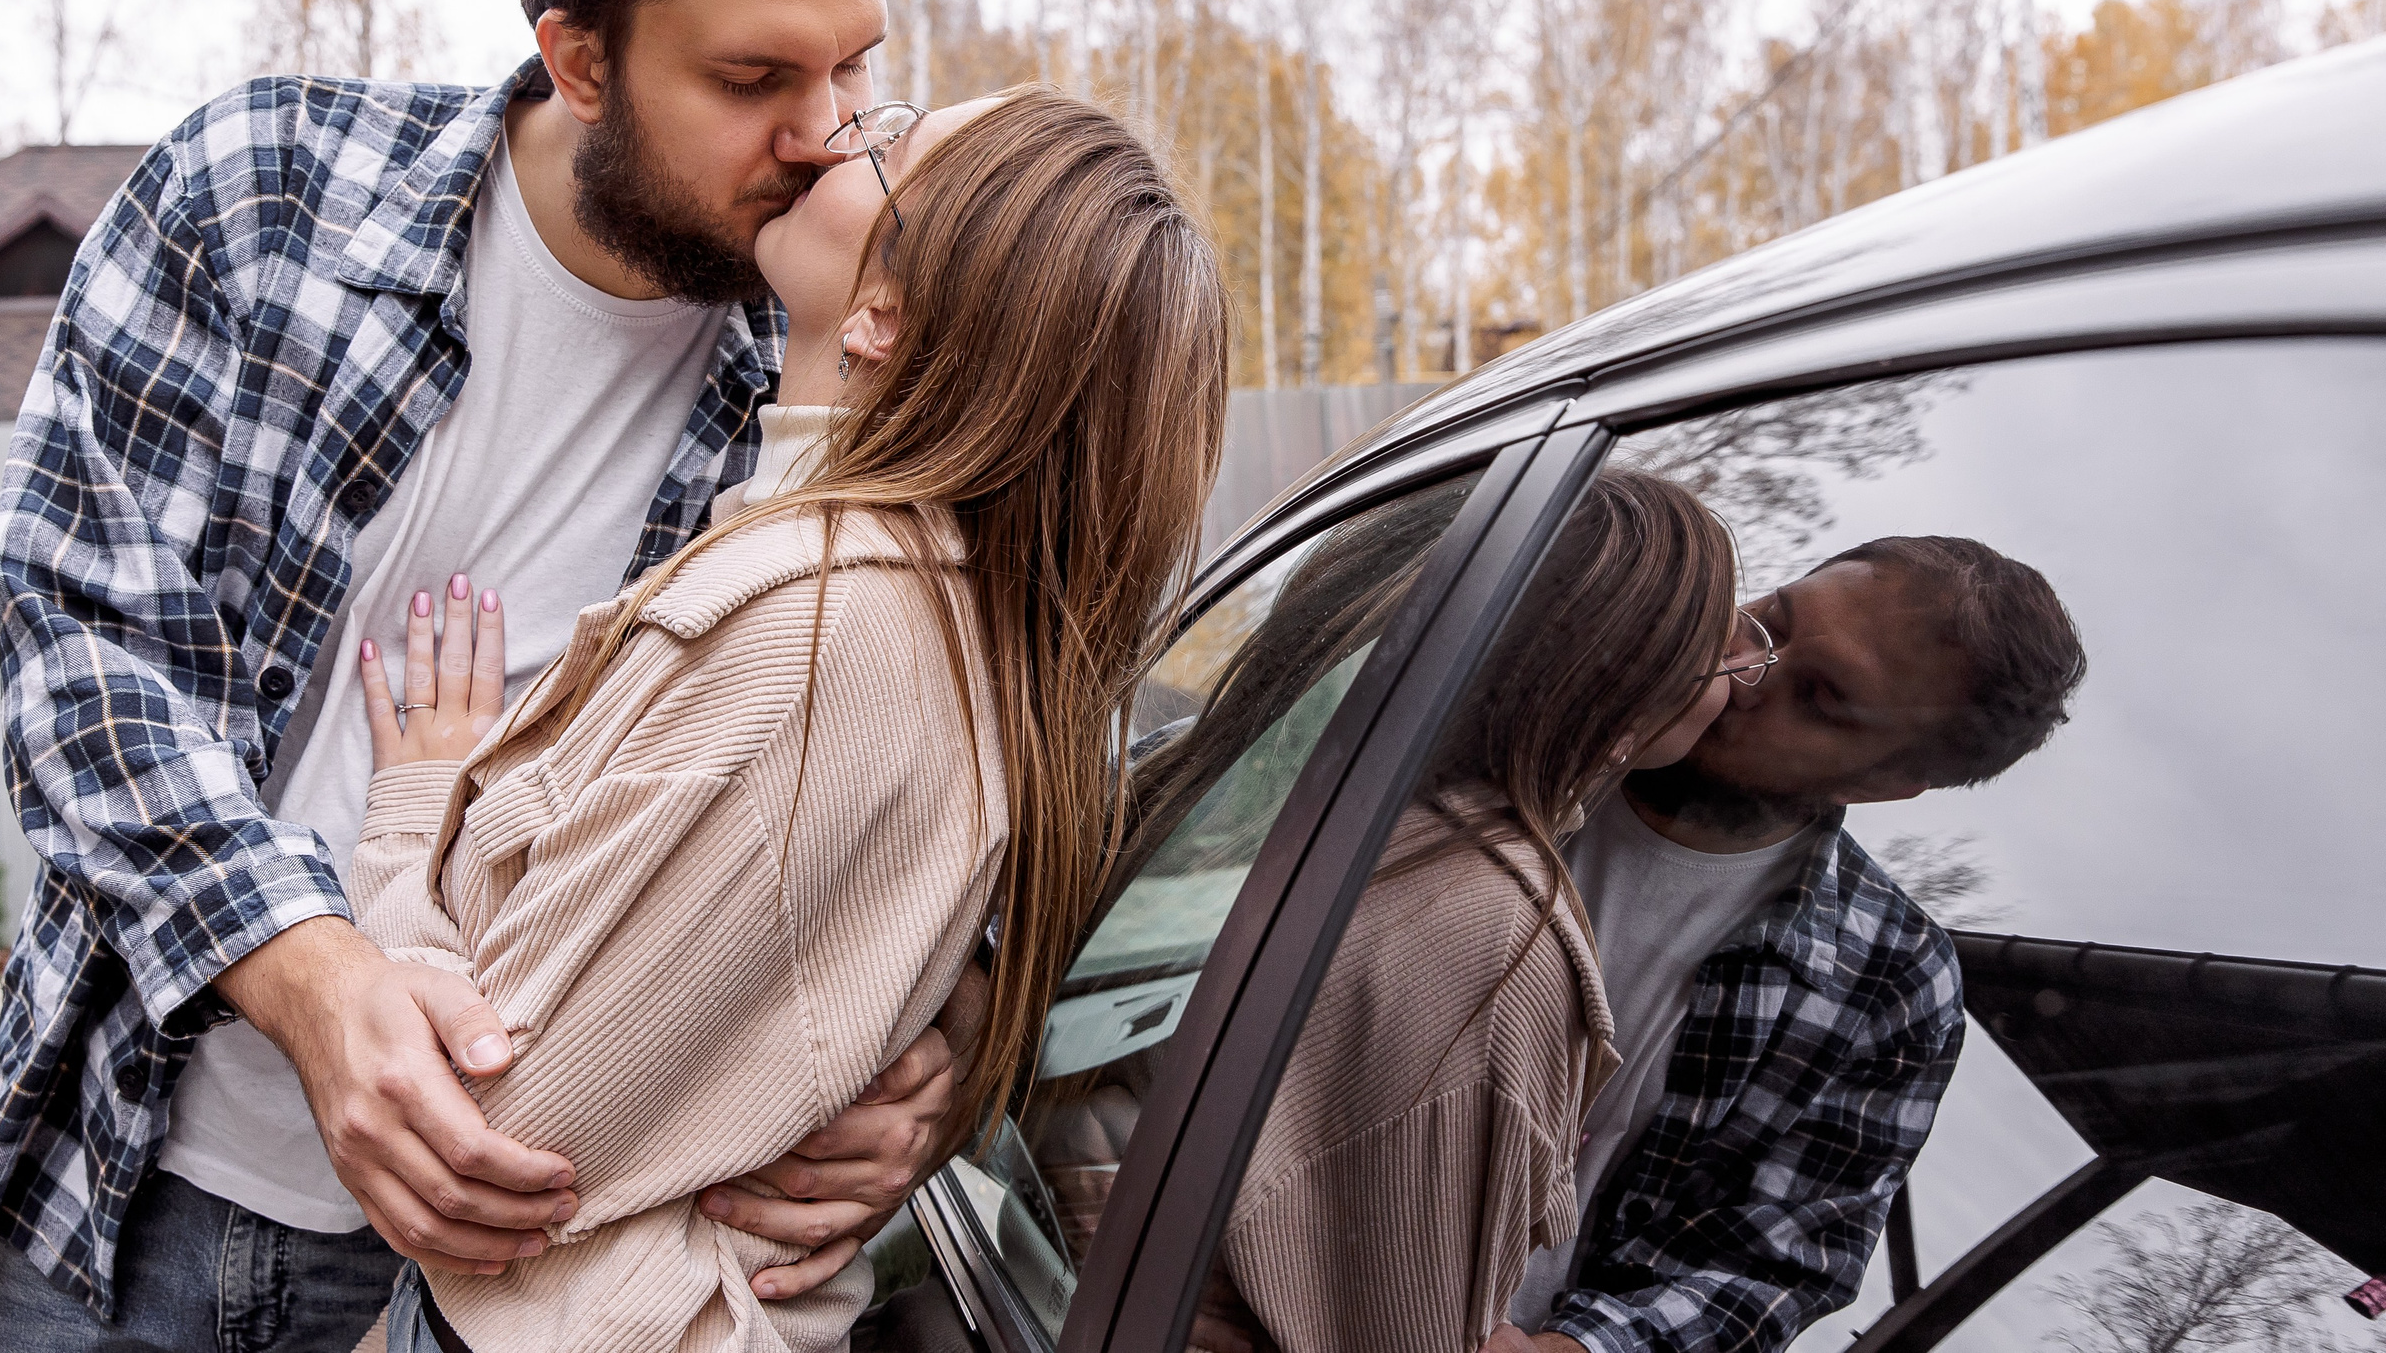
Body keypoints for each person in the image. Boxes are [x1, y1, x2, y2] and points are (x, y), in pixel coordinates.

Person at [0, 0, 970, 1351]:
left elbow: (952, 756)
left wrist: (941, 1049)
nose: (826, 134)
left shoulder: (838, 352)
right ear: (580, 57)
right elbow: (80, 647)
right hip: (126, 1199)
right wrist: (315, 979)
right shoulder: (258, 197)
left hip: (519, 1257)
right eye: (755, 79)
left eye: (853, 67)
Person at [347, 86, 1230, 1351]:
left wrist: (409, 814)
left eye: (886, 141)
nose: (830, 132)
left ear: (882, 315)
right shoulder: (893, 599)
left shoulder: (815, 637)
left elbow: (484, 1143)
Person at [1180, 469, 1767, 1353]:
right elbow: (1409, 1329)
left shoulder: (1287, 787)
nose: (1748, 670)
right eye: (1716, 642)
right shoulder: (1503, 947)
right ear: (1623, 706)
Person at [1492, 531, 2089, 1353]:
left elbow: (1774, 1260)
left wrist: (1572, 1350)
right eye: (1771, 617)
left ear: (1881, 782)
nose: (1742, 667)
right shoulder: (1517, 727)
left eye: (1818, 693)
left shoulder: (1894, 979)